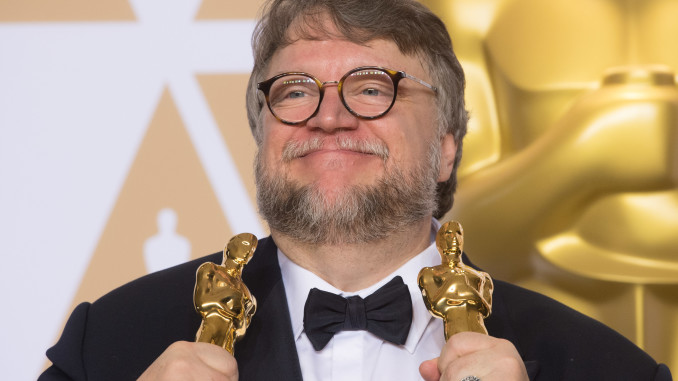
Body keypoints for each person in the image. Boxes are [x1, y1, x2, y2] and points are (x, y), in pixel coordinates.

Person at [39, 0, 673, 380]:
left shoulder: (605, 368)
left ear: (447, 145)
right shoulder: (110, 346)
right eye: (294, 91)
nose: (328, 116)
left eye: (373, 88)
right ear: (265, 139)